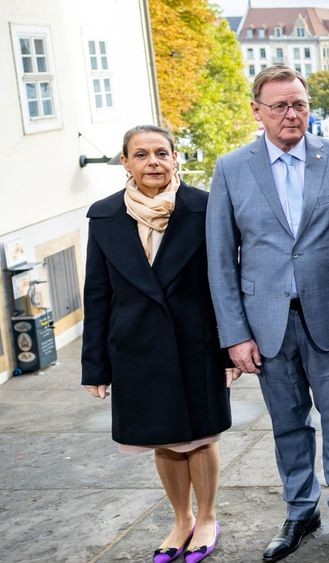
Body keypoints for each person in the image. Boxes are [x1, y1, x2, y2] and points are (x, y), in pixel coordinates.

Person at [207, 65, 329, 562]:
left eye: (298, 104)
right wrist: (235, 335)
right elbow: (220, 261)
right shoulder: (232, 168)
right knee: (287, 424)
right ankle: (301, 510)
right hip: (267, 324)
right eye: (279, 105)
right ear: (256, 111)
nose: (290, 114)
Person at [82, 125, 235, 563]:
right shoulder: (105, 215)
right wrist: (95, 365)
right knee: (164, 438)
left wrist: (230, 349)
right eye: (141, 154)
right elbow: (97, 293)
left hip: (197, 342)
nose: (153, 162)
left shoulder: (204, 208)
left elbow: (225, 282)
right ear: (125, 162)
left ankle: (207, 518)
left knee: (200, 436)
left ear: (175, 158)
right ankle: (181, 520)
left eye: (161, 153)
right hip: (135, 347)